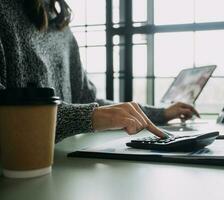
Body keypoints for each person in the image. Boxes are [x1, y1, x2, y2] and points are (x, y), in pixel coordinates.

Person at [0, 0, 199, 143]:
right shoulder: (4, 13)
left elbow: (87, 101)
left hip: (63, 165)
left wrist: (162, 113)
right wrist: (90, 117)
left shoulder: (61, 28)